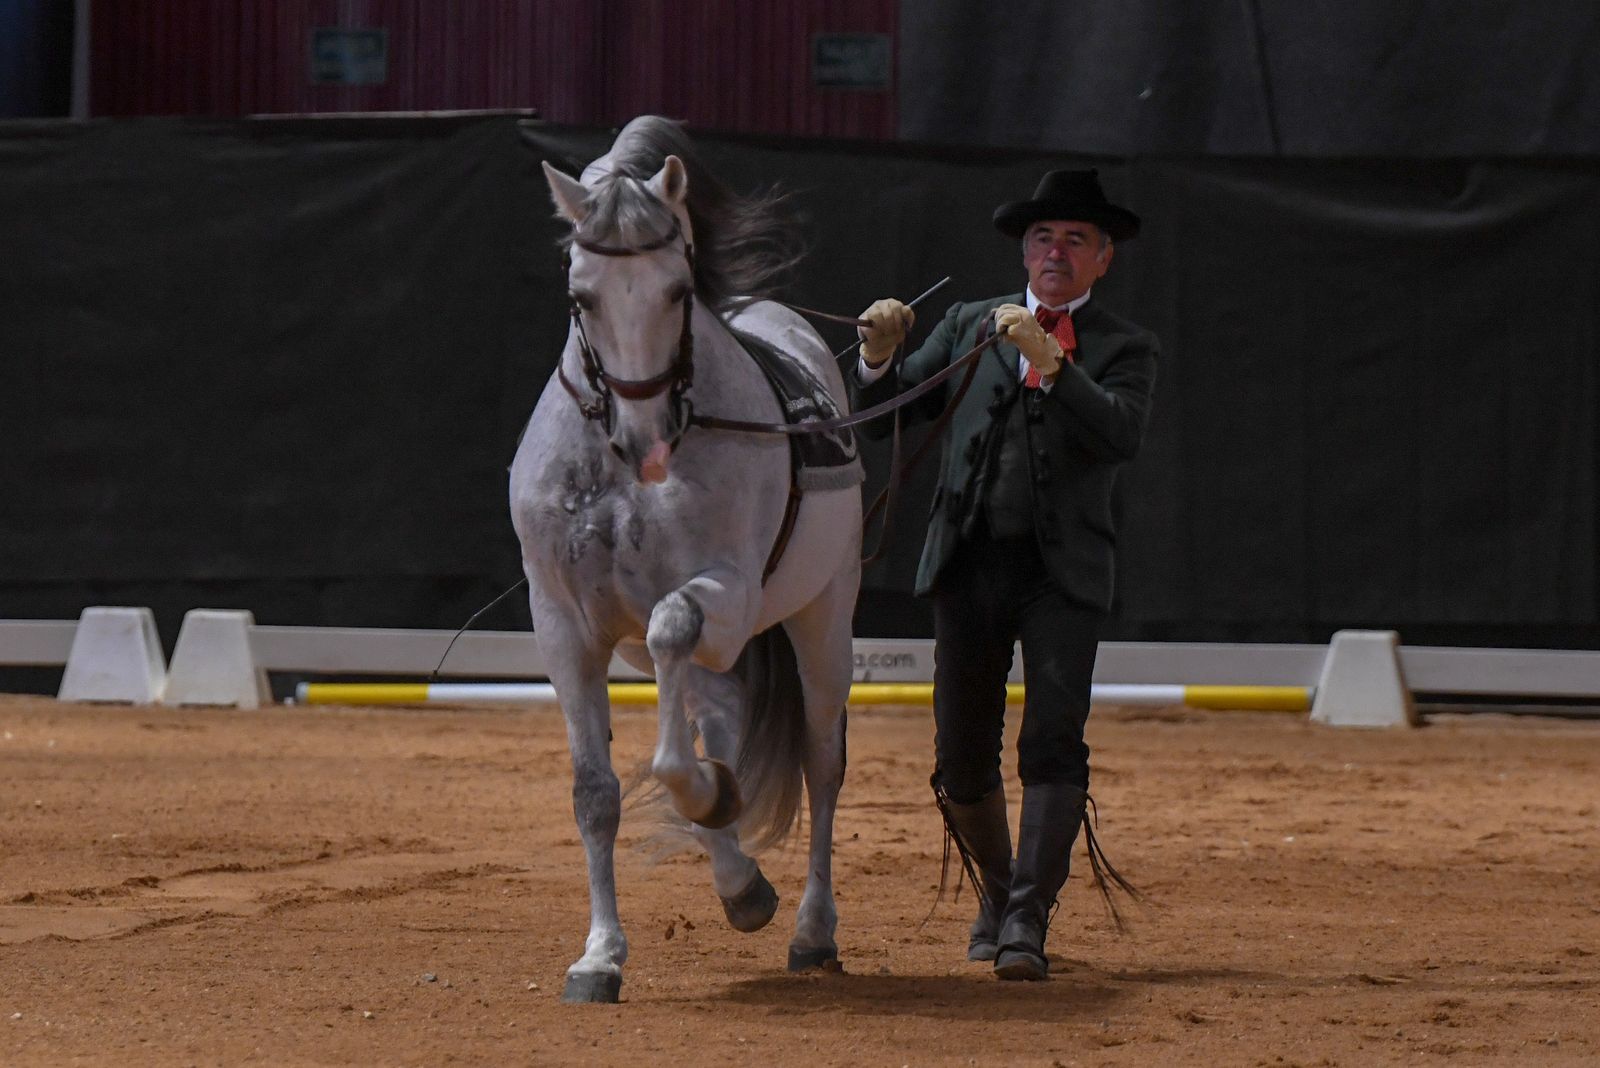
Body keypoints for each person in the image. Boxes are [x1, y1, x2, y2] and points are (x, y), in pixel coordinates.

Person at [851, 169, 1157, 981]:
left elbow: (1120, 434)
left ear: (1103, 260)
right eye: (1043, 237)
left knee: (1052, 741)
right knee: (959, 756)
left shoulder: (1126, 346)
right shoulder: (966, 323)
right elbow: (892, 410)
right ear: (1024, 250)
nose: (1056, 252)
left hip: (1063, 573)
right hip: (969, 563)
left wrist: (1054, 365)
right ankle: (999, 890)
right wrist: (877, 357)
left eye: (1076, 240)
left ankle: (1027, 917)